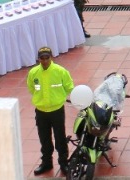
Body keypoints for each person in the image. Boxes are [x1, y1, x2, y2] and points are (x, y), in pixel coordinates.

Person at [26, 46, 74, 176]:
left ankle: (64, 162)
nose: (45, 60)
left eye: (47, 57)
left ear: (51, 57)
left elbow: (70, 87)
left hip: (57, 111)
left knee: (60, 137)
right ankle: (46, 163)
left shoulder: (60, 71)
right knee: (44, 138)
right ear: (38, 59)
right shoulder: (33, 73)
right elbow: (31, 88)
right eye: (42, 58)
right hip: (41, 112)